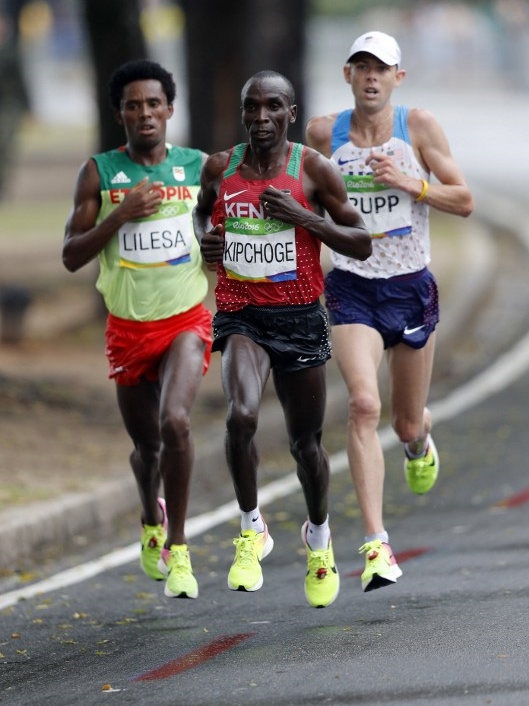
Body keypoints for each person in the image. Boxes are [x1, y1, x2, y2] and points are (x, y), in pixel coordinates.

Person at [193, 70, 371, 608]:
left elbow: (360, 242)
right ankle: (251, 529)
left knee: (305, 446)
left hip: (298, 318)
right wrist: (207, 240)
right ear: (242, 112)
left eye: (273, 107)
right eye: (252, 107)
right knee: (240, 415)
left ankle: (319, 538)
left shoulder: (313, 170)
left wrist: (302, 218)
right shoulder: (220, 168)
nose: (261, 118)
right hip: (241, 314)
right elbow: (204, 211)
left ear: (291, 113)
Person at [305, 31, 474, 593]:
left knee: (403, 420)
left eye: (382, 68)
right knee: (360, 404)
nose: (371, 77)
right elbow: (305, 202)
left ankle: (418, 440)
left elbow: (464, 199)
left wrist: (410, 183)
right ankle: (377, 545)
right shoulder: (323, 134)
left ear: (398, 78)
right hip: (352, 286)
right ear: (347, 75)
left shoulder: (417, 127)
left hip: (409, 287)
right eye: (361, 66)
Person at [62, 60, 213, 600]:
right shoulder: (98, 174)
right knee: (147, 449)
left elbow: (221, 226)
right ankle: (151, 515)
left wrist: (217, 250)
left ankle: (179, 549)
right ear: (119, 113)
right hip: (128, 329)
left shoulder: (196, 167)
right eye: (133, 105)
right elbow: (71, 257)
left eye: (154, 103)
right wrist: (119, 216)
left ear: (170, 110)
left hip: (186, 321)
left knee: (176, 422)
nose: (144, 113)